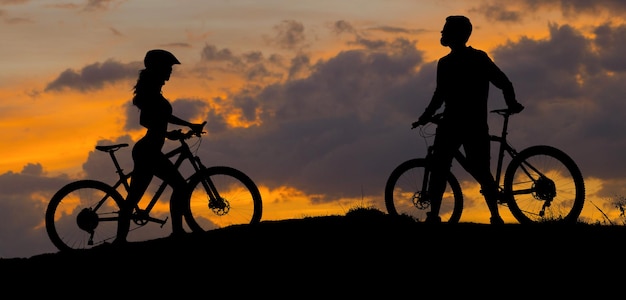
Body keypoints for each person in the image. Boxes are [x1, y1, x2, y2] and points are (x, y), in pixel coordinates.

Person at [412, 15, 524, 225]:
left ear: (456, 34)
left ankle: (435, 216)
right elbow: (504, 82)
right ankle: (495, 217)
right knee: (480, 171)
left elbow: (439, 96)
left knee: (440, 169)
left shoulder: (448, 63)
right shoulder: (476, 58)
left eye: (445, 29)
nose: (441, 33)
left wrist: (425, 116)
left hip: (455, 124)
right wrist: (512, 103)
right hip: (473, 123)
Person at [115, 49, 205, 244]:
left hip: (148, 150)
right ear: (159, 67)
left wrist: (188, 125)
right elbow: (145, 120)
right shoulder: (150, 92)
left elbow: (163, 117)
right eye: (168, 67)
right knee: (179, 186)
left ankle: (120, 241)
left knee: (134, 198)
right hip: (148, 151)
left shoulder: (154, 90)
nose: (170, 71)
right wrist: (166, 133)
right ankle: (177, 232)